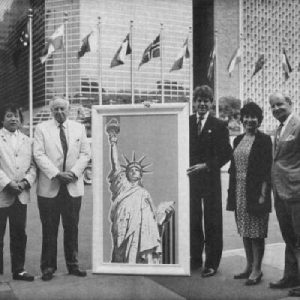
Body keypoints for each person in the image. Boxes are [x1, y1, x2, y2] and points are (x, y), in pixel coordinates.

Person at [33, 97, 91, 281]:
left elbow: (85, 154)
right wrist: (57, 174)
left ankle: (73, 265)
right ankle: (48, 268)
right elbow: (39, 154)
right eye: (56, 109)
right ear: (51, 111)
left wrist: (73, 173)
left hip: (73, 187)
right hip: (50, 186)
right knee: (49, 229)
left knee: (71, 228)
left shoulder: (79, 128)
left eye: (62, 109)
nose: (59, 112)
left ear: (68, 110)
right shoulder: (41, 128)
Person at [106, 120, 174, 264]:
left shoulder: (144, 193)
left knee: (138, 248)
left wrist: (165, 213)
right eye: (130, 170)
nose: (133, 171)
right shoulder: (122, 185)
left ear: (141, 175)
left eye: (137, 170)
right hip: (123, 221)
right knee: (121, 250)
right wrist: (113, 143)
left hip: (141, 227)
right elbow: (115, 164)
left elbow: (153, 216)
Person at [187, 85, 232, 277]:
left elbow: (226, 153)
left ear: (211, 103)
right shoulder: (185, 122)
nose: (202, 104)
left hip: (210, 179)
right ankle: (195, 258)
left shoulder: (219, 125)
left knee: (212, 221)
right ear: (194, 102)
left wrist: (206, 165)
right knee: (192, 220)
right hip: (189, 181)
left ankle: (212, 263)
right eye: (199, 100)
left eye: (206, 100)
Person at [227, 102, 272, 285]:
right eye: (246, 116)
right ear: (242, 119)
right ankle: (248, 266)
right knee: (245, 230)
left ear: (259, 120)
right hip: (239, 191)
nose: (249, 120)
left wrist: (263, 194)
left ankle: (257, 269)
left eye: (253, 116)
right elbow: (233, 168)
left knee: (257, 232)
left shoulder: (264, 140)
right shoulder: (237, 140)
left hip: (256, 192)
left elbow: (267, 170)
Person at [268, 92, 300, 296]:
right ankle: (291, 276)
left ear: (290, 103)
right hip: (280, 192)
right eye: (272, 106)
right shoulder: (279, 129)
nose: (276, 108)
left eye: (279, 104)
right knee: (289, 237)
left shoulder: (298, 125)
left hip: (296, 190)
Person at [0, 105, 36, 281]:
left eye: (16, 116)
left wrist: (25, 182)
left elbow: (33, 167)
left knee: (19, 234)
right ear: (2, 119)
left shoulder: (27, 140)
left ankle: (19, 270)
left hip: (21, 195)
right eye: (9, 116)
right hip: (2, 194)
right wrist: (7, 184)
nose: (13, 119)